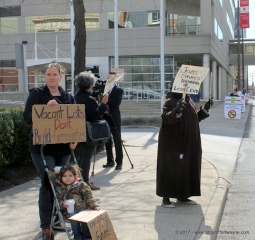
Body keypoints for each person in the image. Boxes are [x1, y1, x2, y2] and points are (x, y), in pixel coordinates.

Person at [23, 62, 77, 238]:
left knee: (64, 183)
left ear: (60, 76)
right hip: (42, 148)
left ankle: (59, 219)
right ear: (44, 76)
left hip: (63, 149)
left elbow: (75, 121)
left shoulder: (68, 97)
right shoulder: (37, 94)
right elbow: (27, 118)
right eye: (48, 74)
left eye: (55, 74)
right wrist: (45, 109)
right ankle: (46, 225)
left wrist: (74, 139)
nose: (51, 77)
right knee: (48, 183)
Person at [156, 90, 213, 208]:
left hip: (188, 143)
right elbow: (166, 118)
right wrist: (176, 110)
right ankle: (165, 197)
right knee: (171, 168)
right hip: (173, 143)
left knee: (185, 168)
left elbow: (195, 118)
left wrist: (205, 109)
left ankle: (182, 195)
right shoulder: (170, 101)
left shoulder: (189, 101)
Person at [74, 71, 108, 190]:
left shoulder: (76, 96)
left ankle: (78, 181)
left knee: (81, 156)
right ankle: (85, 182)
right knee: (86, 157)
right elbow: (95, 115)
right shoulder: (88, 99)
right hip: (88, 132)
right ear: (90, 84)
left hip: (78, 130)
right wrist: (103, 104)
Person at [55, 164, 100, 240]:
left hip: (82, 208)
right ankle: (77, 237)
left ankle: (86, 236)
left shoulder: (80, 185)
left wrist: (94, 205)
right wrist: (63, 204)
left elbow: (88, 196)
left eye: (70, 175)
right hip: (69, 212)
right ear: (61, 177)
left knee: (85, 217)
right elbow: (58, 200)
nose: (67, 178)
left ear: (75, 176)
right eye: (64, 176)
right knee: (73, 217)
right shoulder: (60, 188)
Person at [103, 83, 124, 170]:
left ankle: (119, 162)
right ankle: (110, 161)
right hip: (105, 118)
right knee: (107, 140)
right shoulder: (103, 90)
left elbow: (117, 102)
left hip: (114, 118)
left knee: (117, 140)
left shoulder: (119, 90)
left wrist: (106, 100)